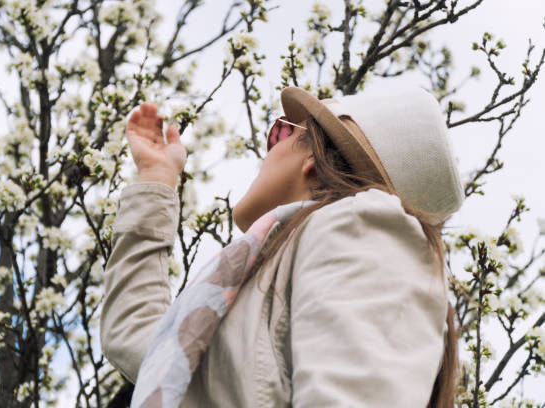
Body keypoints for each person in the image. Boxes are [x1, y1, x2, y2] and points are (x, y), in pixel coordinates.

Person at [100, 84, 465, 408]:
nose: (268, 152)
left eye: (279, 134)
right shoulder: (255, 287)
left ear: (311, 157)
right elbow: (141, 343)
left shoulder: (361, 224)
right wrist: (156, 179)